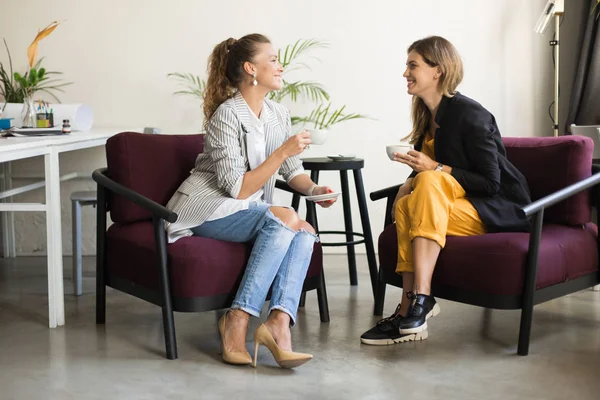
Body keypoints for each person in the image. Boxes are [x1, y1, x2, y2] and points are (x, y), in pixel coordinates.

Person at [165, 33, 337, 367]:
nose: (281, 66)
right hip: (207, 207)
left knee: (304, 231)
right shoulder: (226, 116)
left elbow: (292, 170)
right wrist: (283, 149)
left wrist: (315, 190)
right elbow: (237, 189)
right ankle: (237, 320)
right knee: (286, 217)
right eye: (272, 59)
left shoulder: (278, 114)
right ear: (250, 68)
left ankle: (278, 325)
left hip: (248, 208)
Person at [360, 36, 531, 346]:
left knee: (425, 183)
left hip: (492, 208)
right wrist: (410, 181)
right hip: (452, 205)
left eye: (413, 65)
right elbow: (431, 170)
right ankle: (409, 310)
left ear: (437, 71)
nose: (405, 73)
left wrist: (430, 170)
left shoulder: (470, 114)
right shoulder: (427, 115)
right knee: (404, 206)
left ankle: (420, 300)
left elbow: (490, 183)